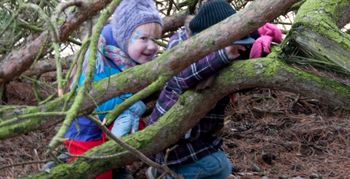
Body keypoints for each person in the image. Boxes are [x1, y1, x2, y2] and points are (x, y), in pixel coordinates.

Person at [144, 0, 255, 178]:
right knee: (218, 166)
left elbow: (250, 79)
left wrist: (258, 45)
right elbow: (180, 76)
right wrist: (222, 55)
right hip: (172, 138)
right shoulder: (181, 43)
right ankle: (163, 174)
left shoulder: (224, 50)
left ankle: (163, 171)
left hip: (199, 135)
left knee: (221, 166)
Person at [62, 0, 163, 178]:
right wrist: (131, 104)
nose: (152, 46)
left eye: (155, 39)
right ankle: (72, 159)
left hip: (108, 127)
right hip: (86, 133)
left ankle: (116, 164)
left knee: (136, 130)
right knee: (96, 171)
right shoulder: (100, 56)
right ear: (125, 36)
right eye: (144, 38)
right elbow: (95, 101)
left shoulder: (125, 54)